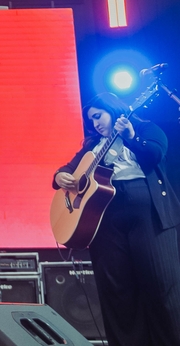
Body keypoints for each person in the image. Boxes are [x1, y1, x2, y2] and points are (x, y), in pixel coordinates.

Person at [53, 92, 180, 345]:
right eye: (92, 120)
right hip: (105, 217)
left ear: (113, 109)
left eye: (99, 116)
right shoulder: (92, 146)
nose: (96, 123)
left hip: (147, 211)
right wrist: (59, 176)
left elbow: (155, 155)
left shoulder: (145, 128)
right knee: (117, 291)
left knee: (161, 286)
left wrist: (131, 137)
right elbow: (68, 169)